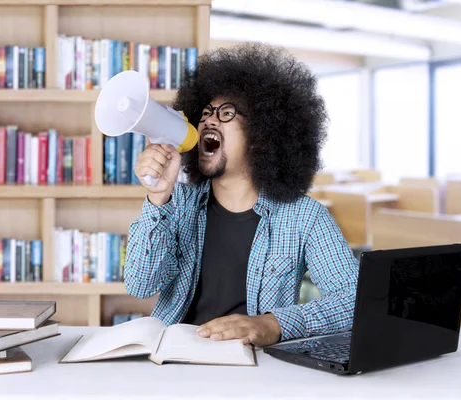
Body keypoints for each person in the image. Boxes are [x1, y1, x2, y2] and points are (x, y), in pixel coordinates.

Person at [124, 42, 359, 347]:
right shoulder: (176, 202)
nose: (209, 120)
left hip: (258, 368)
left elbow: (354, 302)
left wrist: (272, 323)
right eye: (206, 112)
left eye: (226, 113)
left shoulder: (304, 217)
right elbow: (140, 285)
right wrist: (157, 198)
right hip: (175, 362)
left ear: (263, 134)